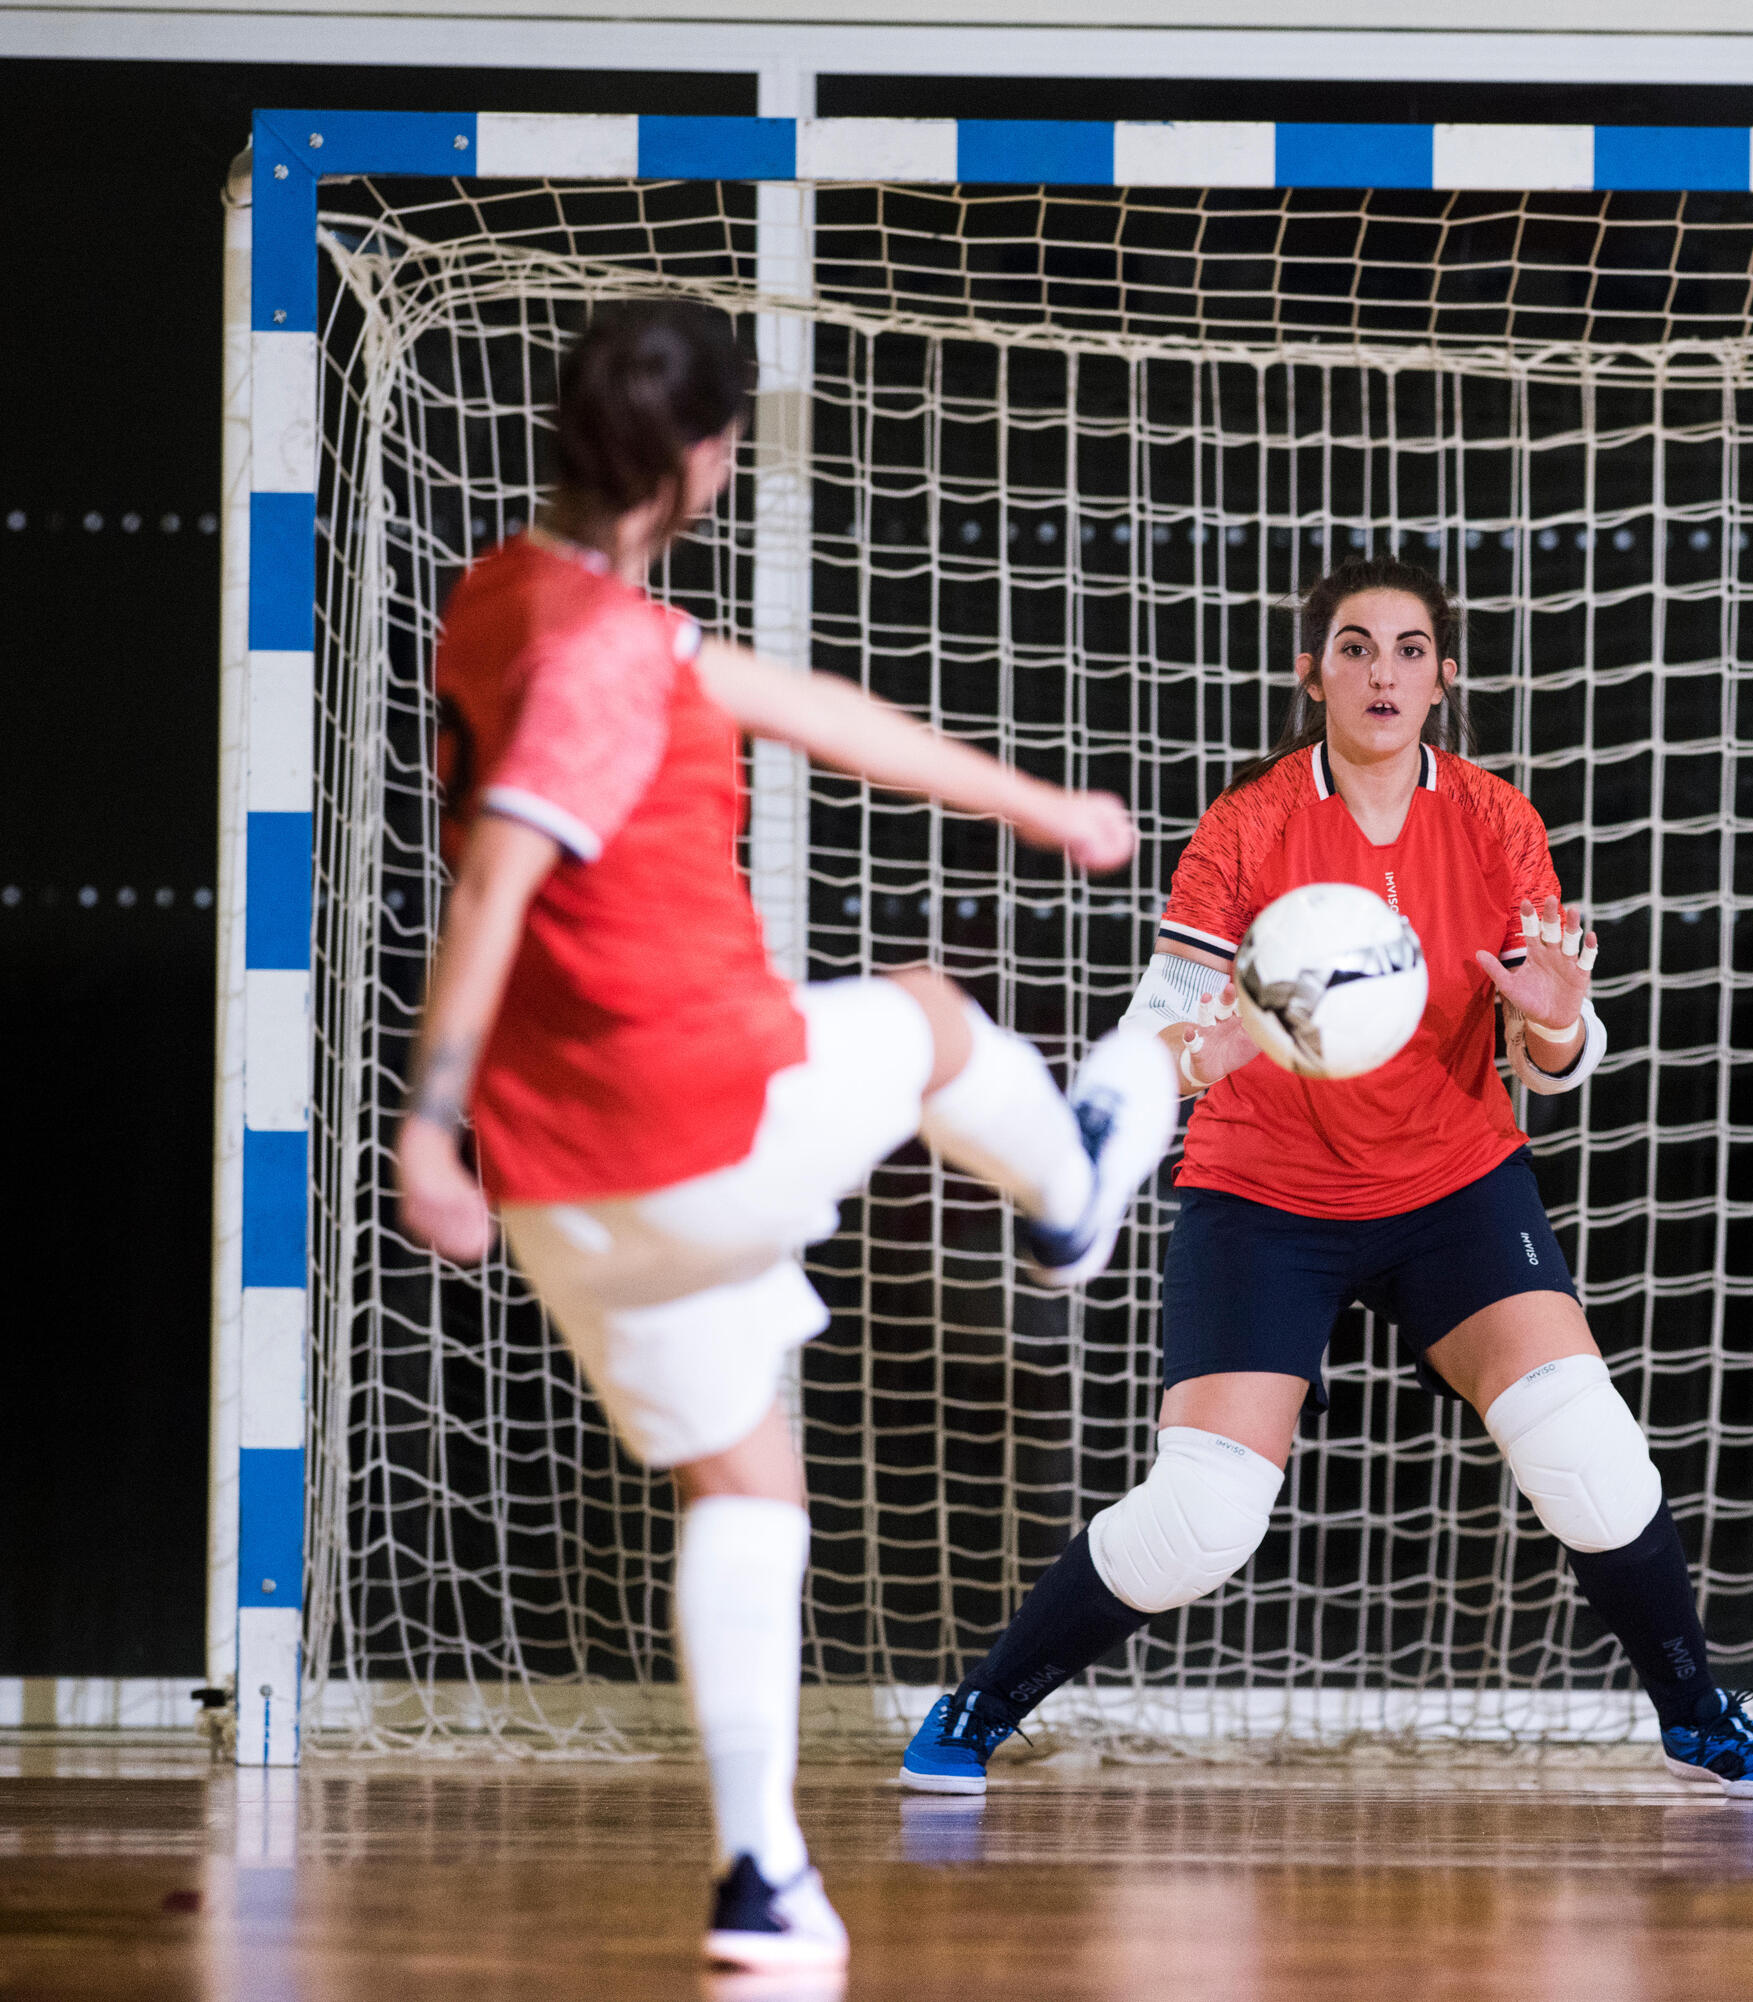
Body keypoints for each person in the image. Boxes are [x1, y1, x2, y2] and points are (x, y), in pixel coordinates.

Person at [395, 300, 1177, 1972]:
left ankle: (763, 1884)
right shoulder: (607, 661)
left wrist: (1035, 806)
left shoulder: (509, 598)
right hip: (702, 1118)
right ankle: (1072, 1190)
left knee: (743, 1481)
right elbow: (498, 881)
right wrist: (421, 1123)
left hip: (573, 1190)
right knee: (934, 1017)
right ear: (705, 457)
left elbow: (804, 706)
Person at [895, 556, 1753, 1802]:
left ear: (1445, 677)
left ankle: (1699, 1714)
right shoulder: (1248, 826)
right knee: (1203, 1520)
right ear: (1311, 671)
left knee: (1588, 1452)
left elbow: (1555, 1055)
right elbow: (1157, 1025)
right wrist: (1195, 1051)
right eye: (1356, 646)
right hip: (1265, 1190)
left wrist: (1555, 1019)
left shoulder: (1496, 823)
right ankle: (981, 1705)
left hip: (1452, 1182)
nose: (1384, 670)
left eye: (1410, 648)